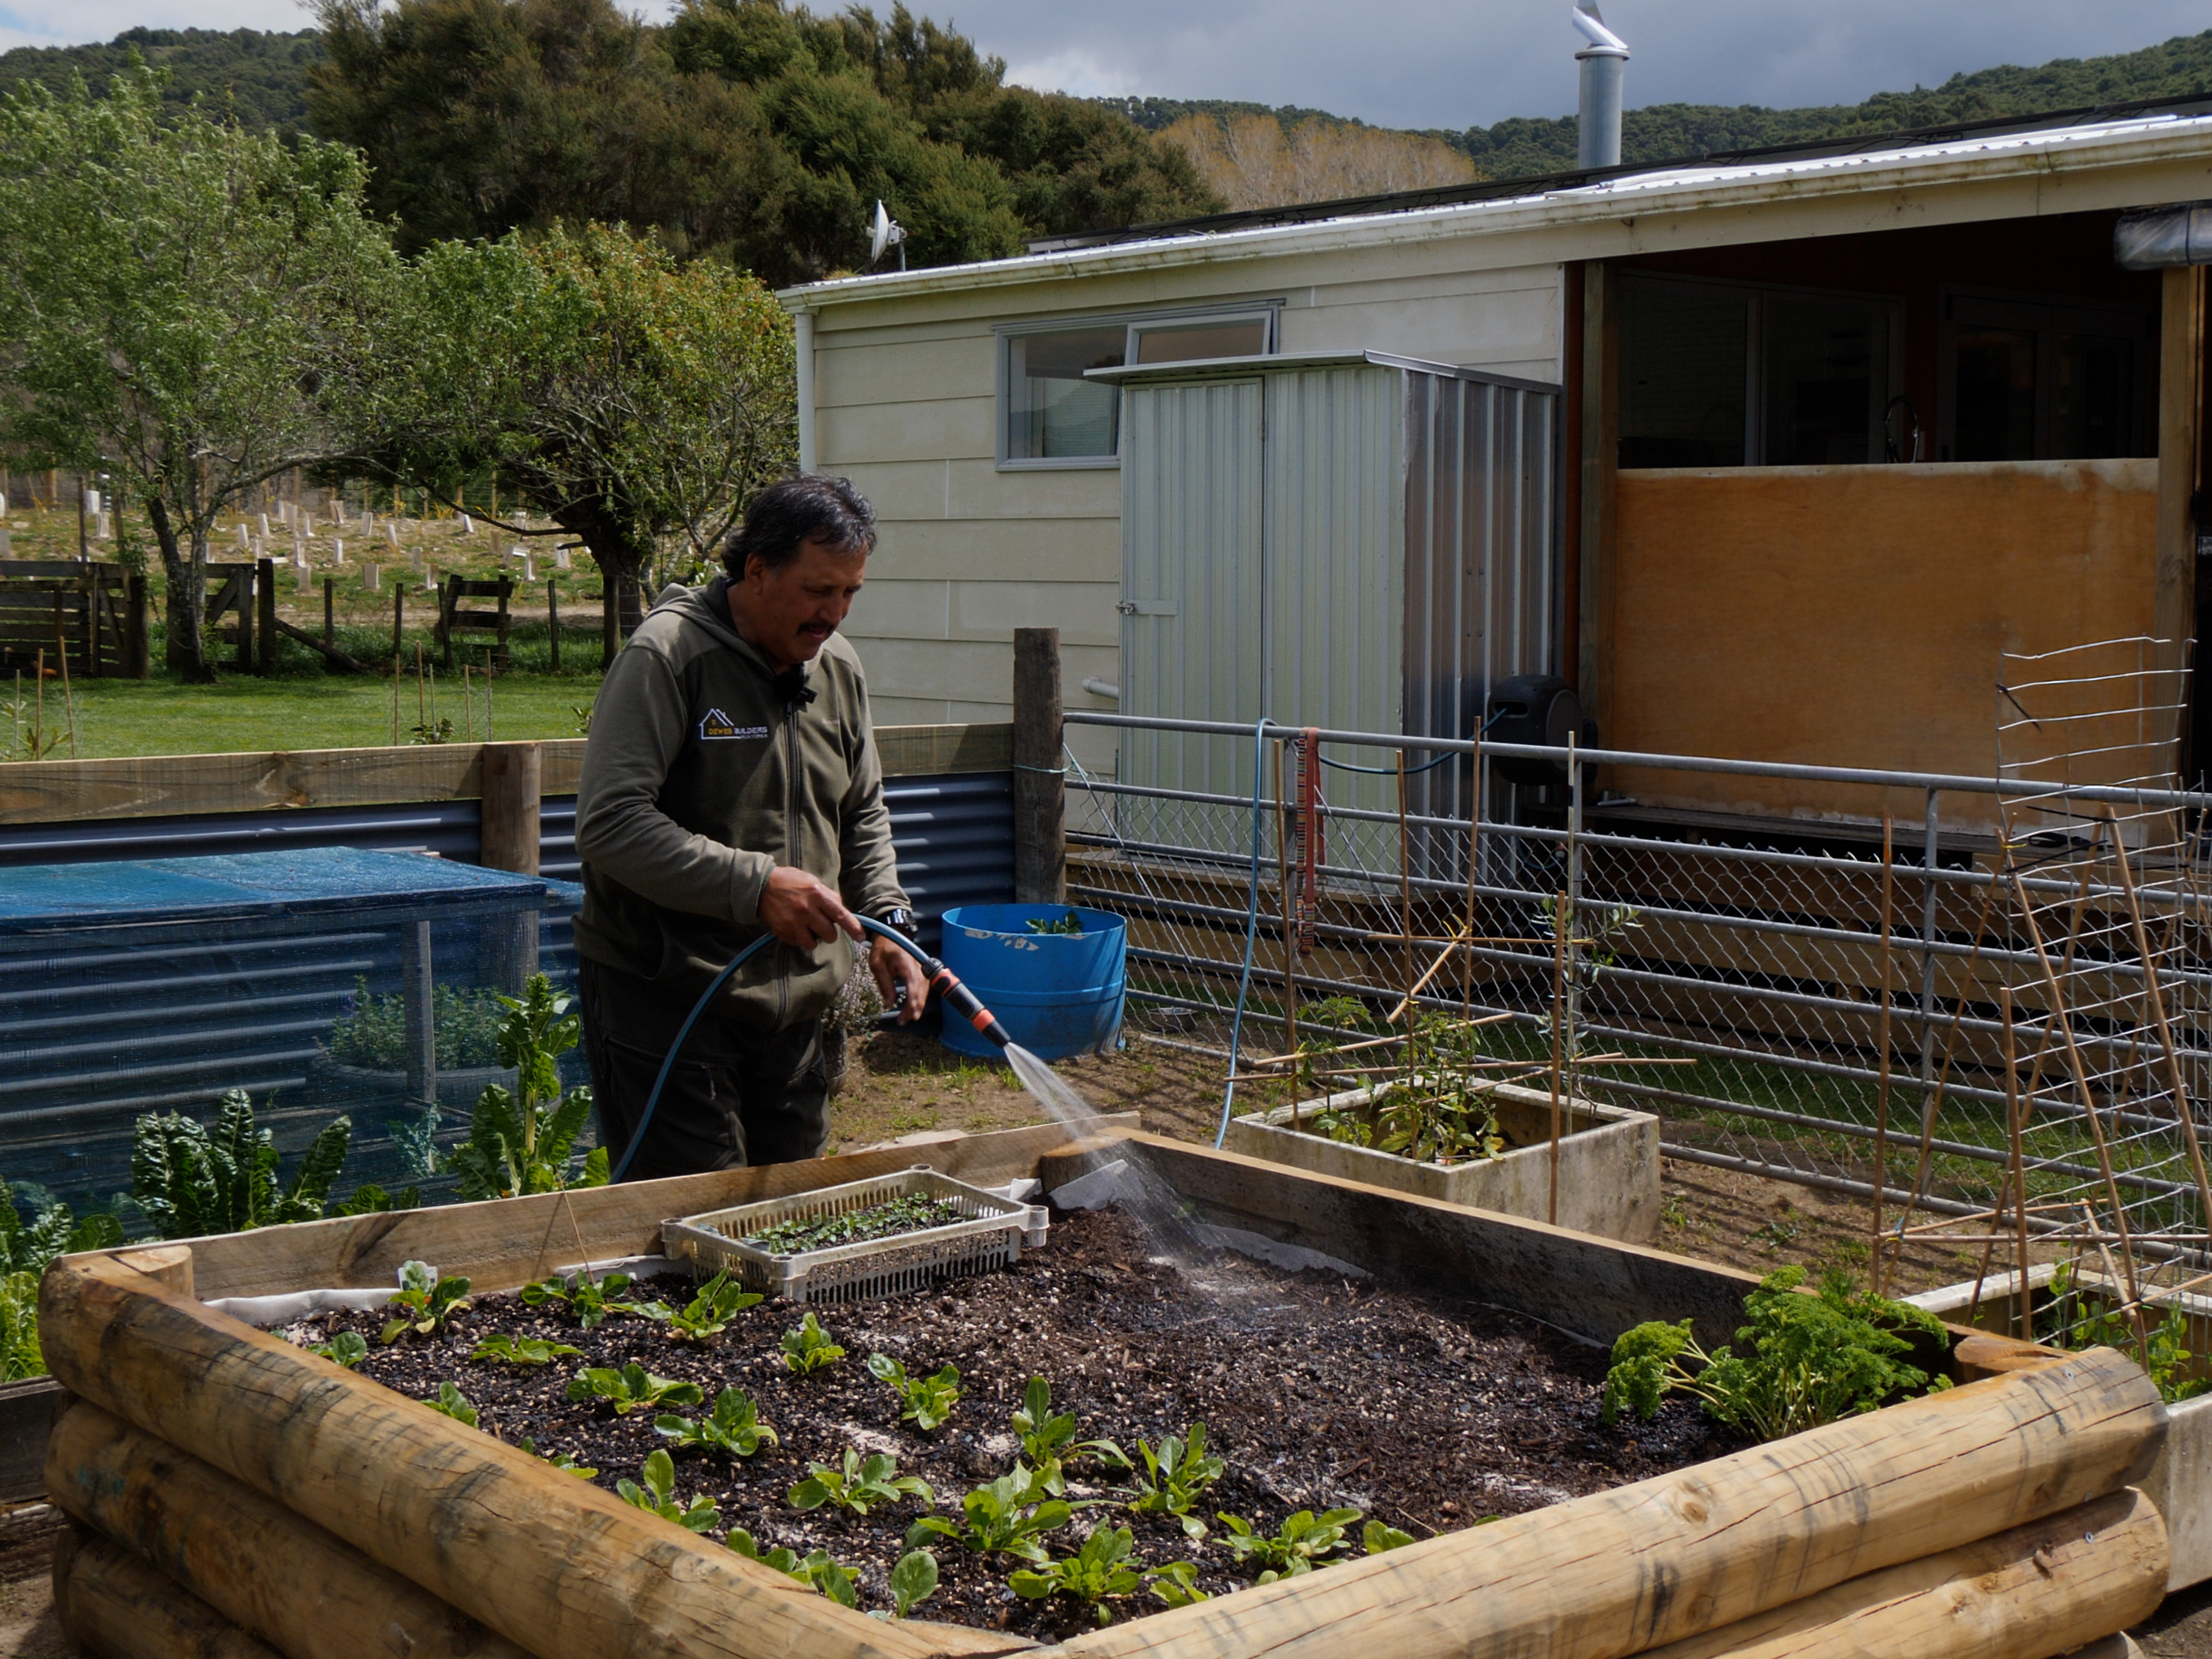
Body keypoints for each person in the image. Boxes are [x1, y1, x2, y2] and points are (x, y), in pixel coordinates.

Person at [571, 475, 929, 1181]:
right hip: (670, 994)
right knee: (692, 1231)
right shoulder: (668, 656)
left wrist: (888, 924)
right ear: (757, 570)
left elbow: (860, 810)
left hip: (797, 1006)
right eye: (818, 590)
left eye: (850, 593)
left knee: (791, 1209)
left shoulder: (837, 669)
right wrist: (756, 885)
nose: (834, 614)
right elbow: (610, 824)